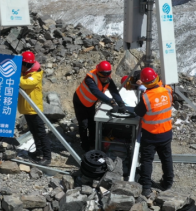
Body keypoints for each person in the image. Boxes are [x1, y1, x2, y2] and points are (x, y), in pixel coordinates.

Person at [134, 67, 174, 197]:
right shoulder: (168, 90)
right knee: (166, 158)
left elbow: (138, 112)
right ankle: (167, 183)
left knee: (146, 160)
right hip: (166, 133)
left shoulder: (146, 97)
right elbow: (162, 85)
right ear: (156, 78)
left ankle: (146, 188)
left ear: (144, 83)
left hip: (150, 135)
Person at [73, 61, 126, 152]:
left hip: (90, 103)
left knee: (92, 124)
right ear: (98, 73)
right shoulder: (90, 79)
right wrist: (112, 103)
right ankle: (85, 147)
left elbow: (114, 91)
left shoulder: (107, 78)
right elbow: (96, 92)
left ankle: (93, 144)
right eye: (103, 77)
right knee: (83, 125)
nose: (105, 79)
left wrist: (121, 103)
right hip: (80, 102)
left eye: (107, 77)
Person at [18, 51, 52, 166]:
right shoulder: (25, 73)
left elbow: (25, 84)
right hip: (28, 109)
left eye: (21, 64)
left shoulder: (36, 75)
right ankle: (39, 151)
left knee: (41, 133)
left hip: (35, 109)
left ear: (27, 64)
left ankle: (47, 157)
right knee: (34, 132)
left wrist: (14, 75)